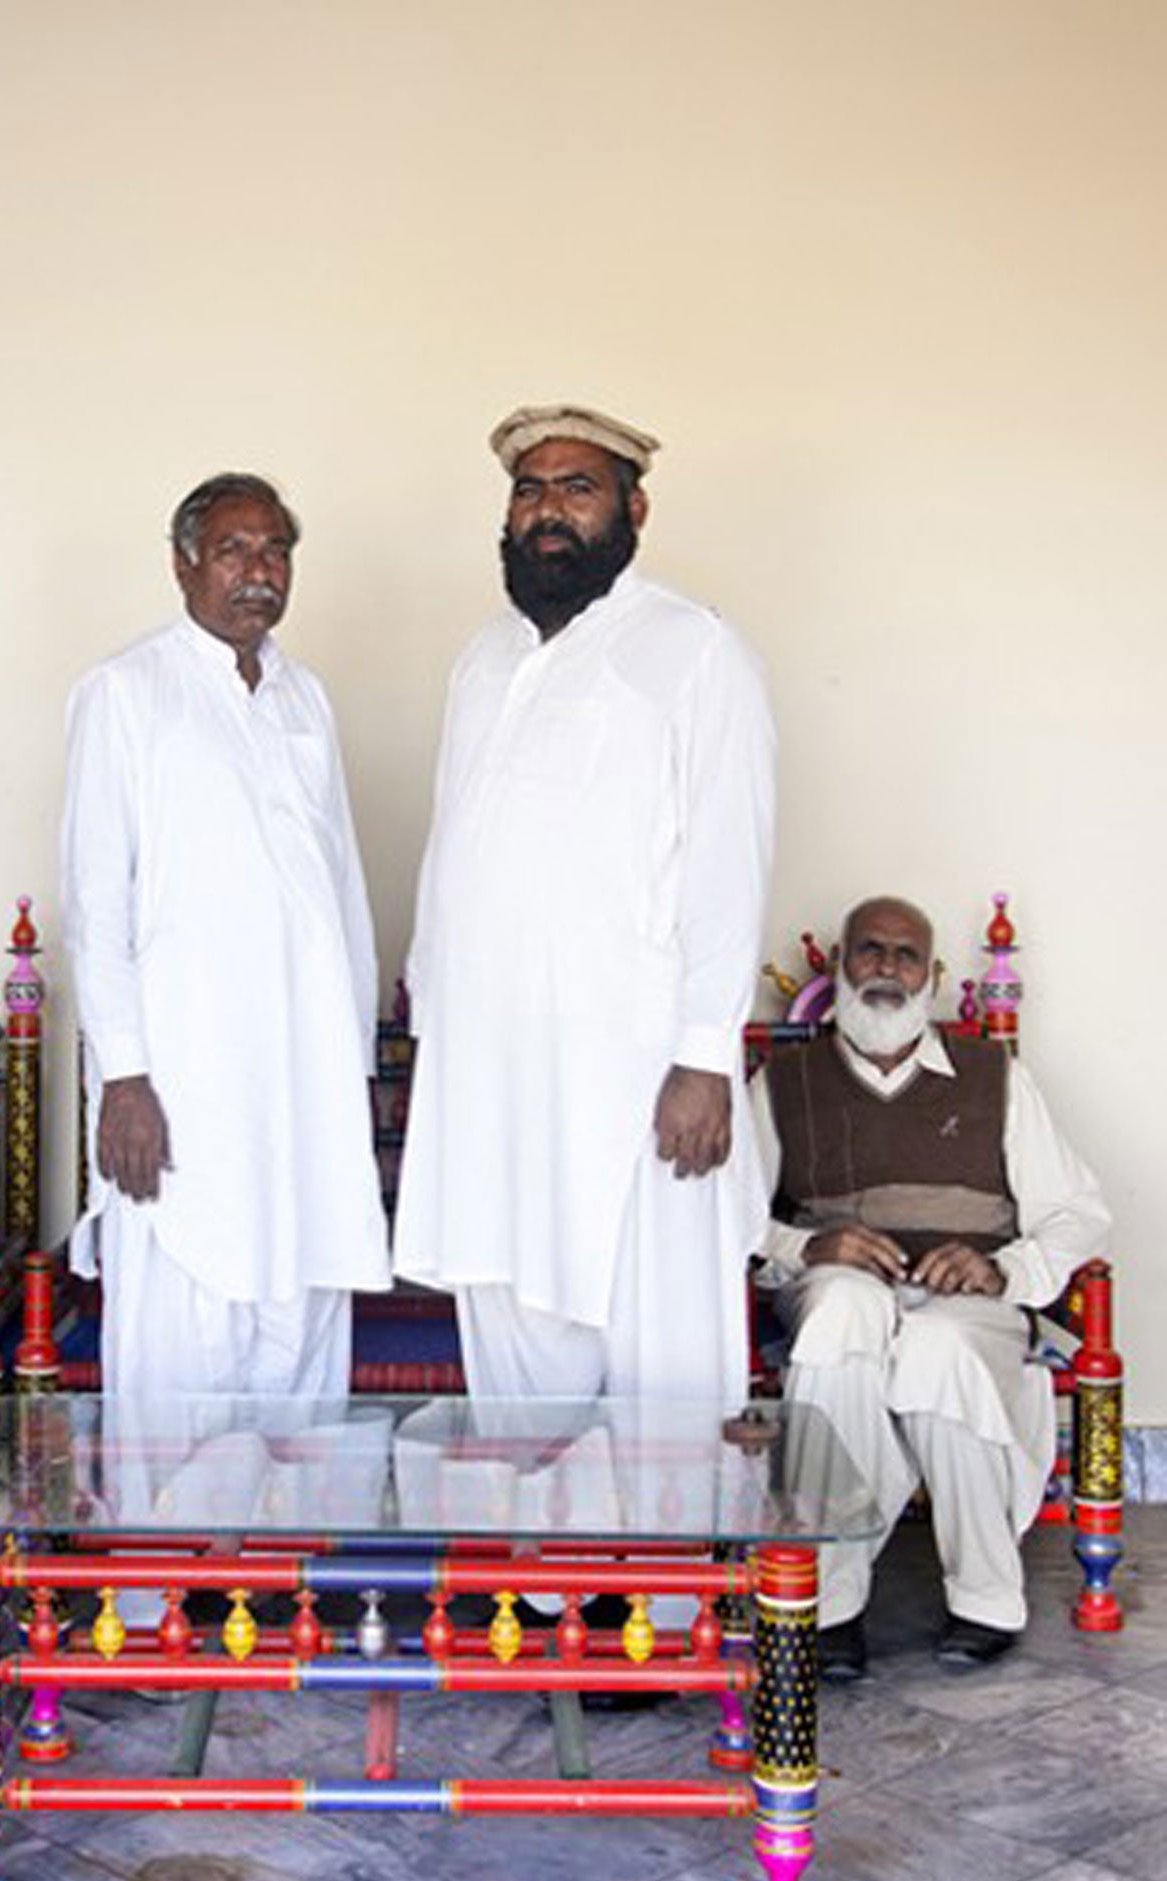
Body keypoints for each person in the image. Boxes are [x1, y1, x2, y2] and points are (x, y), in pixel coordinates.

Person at [394, 403, 776, 1416]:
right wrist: (430, 1016)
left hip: (637, 1070)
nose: (548, 512)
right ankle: (545, 1576)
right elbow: (454, 845)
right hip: (492, 1068)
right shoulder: (480, 659)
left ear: (634, 508)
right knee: (509, 1310)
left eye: (577, 488)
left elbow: (729, 864)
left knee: (657, 1338)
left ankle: (665, 1571)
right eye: (529, 490)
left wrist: (704, 1055)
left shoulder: (693, 651)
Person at [61, 473, 390, 1500]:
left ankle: (279, 1591)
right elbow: (93, 901)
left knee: (297, 1324)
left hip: (302, 1082)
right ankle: (153, 1601)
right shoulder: (126, 692)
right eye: (236, 550)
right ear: (183, 562)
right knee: (182, 1341)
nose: (260, 571)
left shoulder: (306, 696)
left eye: (277, 550)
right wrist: (124, 1076)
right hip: (180, 1085)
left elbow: (341, 887)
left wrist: (358, 1058)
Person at [750, 895, 1110, 1675]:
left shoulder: (995, 1078)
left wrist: (1003, 1269)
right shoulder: (786, 1081)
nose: (886, 966)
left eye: (906, 954)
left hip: (966, 1302)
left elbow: (1079, 1213)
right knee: (843, 1314)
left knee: (936, 1346)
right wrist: (812, 1245)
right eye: (870, 950)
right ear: (842, 966)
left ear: (933, 975)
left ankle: (985, 1596)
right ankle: (831, 1606)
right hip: (836, 1288)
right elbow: (730, 1220)